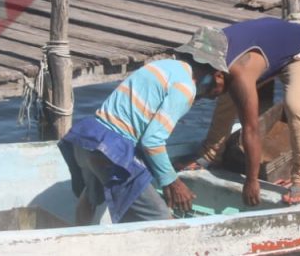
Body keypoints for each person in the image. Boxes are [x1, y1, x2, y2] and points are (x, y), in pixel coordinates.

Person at [58, 32, 227, 225]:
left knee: (91, 198)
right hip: (112, 151)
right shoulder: (185, 88)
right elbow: (152, 141)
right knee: (159, 217)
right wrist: (172, 182)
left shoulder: (161, 66)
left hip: (87, 139)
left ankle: (78, 244)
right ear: (215, 72)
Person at [186, 17, 300, 206]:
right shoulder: (201, 55)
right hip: (271, 48)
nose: (208, 96)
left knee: (294, 105)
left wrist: (251, 179)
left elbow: (251, 129)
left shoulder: (239, 73)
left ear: (219, 74)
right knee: (226, 97)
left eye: (208, 89)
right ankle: (211, 154)